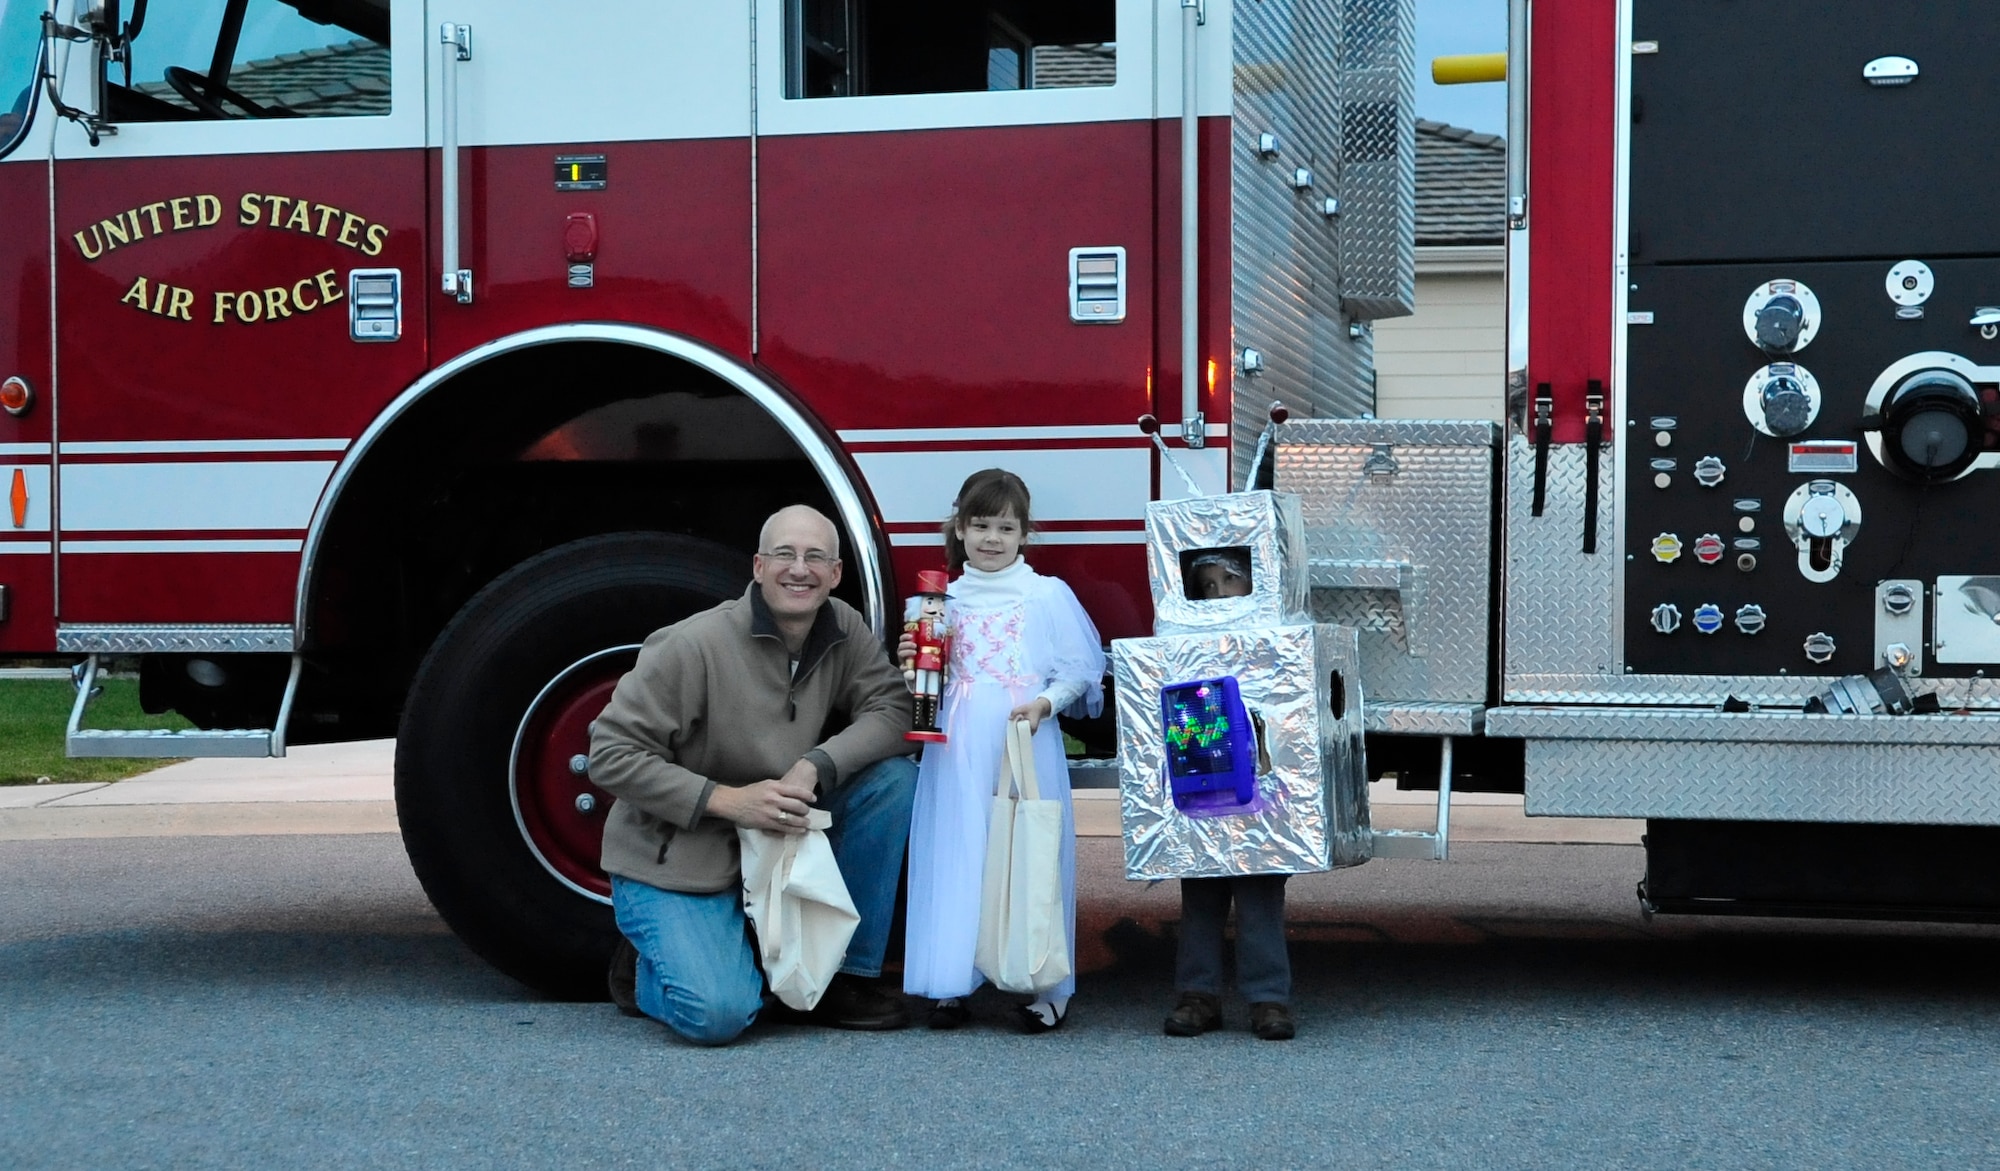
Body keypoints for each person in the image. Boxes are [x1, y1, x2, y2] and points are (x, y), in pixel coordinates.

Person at [589, 504, 918, 1045]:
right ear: (759, 567)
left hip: (777, 840)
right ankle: (643, 968)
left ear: (836, 574)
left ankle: (838, 976)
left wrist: (817, 764)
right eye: (785, 555)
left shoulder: (843, 627)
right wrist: (727, 800)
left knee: (894, 782)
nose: (800, 569)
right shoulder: (692, 645)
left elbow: (894, 711)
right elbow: (609, 753)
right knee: (717, 1016)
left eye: (816, 557)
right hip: (682, 854)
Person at [900, 468, 1105, 1032]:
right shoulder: (940, 602)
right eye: (981, 525)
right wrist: (911, 661)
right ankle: (952, 978)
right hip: (960, 736)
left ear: (1024, 535)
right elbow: (924, 678)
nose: (992, 538)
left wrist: (1044, 704)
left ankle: (1044, 981)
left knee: (1026, 850)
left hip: (1022, 735)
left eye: (1006, 527)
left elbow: (1079, 670)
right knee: (959, 846)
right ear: (960, 528)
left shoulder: (1045, 595)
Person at [1165, 547, 1297, 1041]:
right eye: (1207, 586)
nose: (1219, 593)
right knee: (1200, 887)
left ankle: (1268, 998)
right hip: (1203, 782)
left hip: (1259, 785)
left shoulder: (1276, 639)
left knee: (1260, 889)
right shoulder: (1181, 642)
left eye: (1229, 580)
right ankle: (1197, 994)